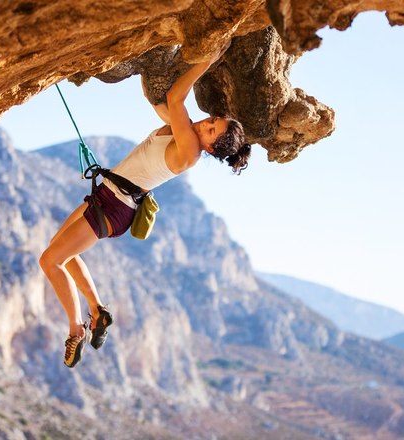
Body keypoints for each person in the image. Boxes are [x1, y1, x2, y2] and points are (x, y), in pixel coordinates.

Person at [39, 45, 252, 368]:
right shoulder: (187, 132)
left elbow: (176, 98)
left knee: (50, 260)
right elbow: (159, 103)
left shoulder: (189, 151)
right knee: (62, 253)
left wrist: (207, 60)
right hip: (108, 197)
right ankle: (98, 312)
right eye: (213, 120)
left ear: (209, 147)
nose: (207, 122)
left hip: (114, 207)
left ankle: (76, 330)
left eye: (211, 129)